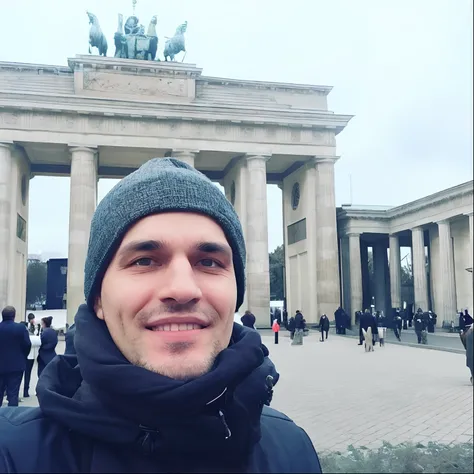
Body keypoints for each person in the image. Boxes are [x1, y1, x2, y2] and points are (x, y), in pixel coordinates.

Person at [0, 158, 321, 473]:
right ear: (97, 297)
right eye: (144, 260)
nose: (182, 289)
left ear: (236, 292)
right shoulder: (13, 454)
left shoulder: (292, 450)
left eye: (209, 262)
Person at [0, 306, 31, 407]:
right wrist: (22, 356)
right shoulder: (21, 328)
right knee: (13, 394)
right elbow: (27, 345)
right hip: (16, 365)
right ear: (14, 316)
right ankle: (11, 418)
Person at [23, 324, 41, 398]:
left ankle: (25, 391)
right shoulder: (32, 336)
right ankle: (25, 391)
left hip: (29, 356)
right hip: (30, 356)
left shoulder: (27, 335)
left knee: (26, 374)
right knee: (27, 374)